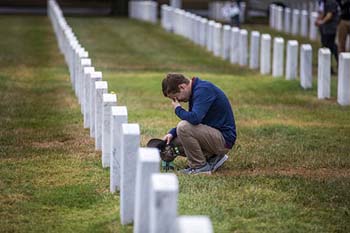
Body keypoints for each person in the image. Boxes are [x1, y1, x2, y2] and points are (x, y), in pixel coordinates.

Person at [161, 73, 237, 175]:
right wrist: (172, 133)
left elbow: (194, 119)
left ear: (182, 87)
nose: (177, 101)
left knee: (183, 128)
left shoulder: (203, 90)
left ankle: (200, 167)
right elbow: (193, 121)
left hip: (223, 140)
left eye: (176, 97)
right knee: (173, 142)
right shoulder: (196, 91)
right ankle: (213, 158)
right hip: (212, 136)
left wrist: (178, 109)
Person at [315, 0, 339, 73]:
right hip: (325, 28)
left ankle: (331, 66)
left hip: (330, 28)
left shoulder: (331, 2)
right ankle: (329, 66)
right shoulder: (324, 2)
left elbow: (329, 15)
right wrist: (319, 20)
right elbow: (323, 12)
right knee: (327, 46)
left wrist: (321, 22)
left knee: (329, 47)